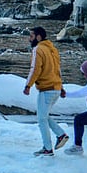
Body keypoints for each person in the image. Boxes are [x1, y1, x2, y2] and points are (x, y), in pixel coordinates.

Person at [23, 26, 68, 156]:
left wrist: (28, 85)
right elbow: (57, 70)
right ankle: (60, 135)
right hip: (56, 89)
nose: (29, 39)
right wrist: (62, 87)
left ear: (38, 37)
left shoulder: (38, 49)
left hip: (46, 89)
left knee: (41, 119)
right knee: (44, 116)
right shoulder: (52, 49)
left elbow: (35, 69)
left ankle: (48, 149)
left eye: (31, 36)